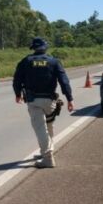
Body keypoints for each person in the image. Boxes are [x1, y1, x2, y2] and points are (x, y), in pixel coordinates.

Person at [13, 37, 75, 168]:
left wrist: (18, 94)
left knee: (41, 128)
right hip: (50, 101)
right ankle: (46, 152)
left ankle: (47, 158)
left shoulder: (26, 61)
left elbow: (17, 79)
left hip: (34, 101)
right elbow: (64, 81)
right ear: (45, 48)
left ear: (33, 48)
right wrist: (70, 99)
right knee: (48, 126)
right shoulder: (54, 61)